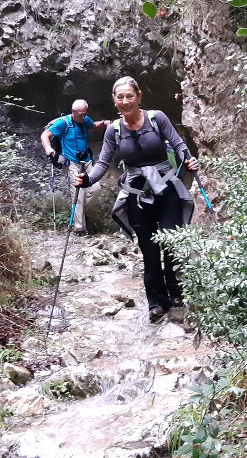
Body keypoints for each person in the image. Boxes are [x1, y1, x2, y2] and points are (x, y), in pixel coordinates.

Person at [73, 76, 199, 322]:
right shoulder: (114, 130)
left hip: (166, 189)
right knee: (149, 249)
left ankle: (176, 295)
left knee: (171, 243)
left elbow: (178, 143)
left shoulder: (157, 118)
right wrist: (87, 180)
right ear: (114, 101)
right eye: (120, 97)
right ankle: (156, 302)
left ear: (139, 97)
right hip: (137, 195)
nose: (125, 101)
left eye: (129, 96)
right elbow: (103, 162)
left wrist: (188, 159)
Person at [40, 99, 108, 236]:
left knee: (96, 188)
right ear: (73, 112)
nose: (83, 118)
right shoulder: (63, 123)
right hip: (72, 163)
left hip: (87, 161)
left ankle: (80, 211)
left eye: (84, 114)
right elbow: (45, 135)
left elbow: (93, 126)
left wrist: (104, 123)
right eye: (80, 115)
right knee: (77, 195)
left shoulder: (84, 120)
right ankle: (79, 228)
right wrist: (48, 148)